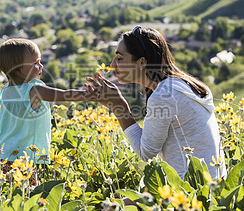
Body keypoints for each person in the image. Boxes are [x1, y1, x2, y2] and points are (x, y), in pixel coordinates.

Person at [86, 26, 226, 180]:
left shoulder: (164, 95)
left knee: (118, 203)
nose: (112, 64)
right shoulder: (180, 85)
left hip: (193, 191)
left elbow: (145, 153)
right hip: (213, 183)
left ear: (142, 62)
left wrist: (117, 105)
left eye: (119, 58)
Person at [0, 38, 92, 166]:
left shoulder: (4, 91)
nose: (41, 66)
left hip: (3, 154)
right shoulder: (34, 91)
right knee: (31, 186)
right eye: (36, 63)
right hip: (26, 158)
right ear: (18, 70)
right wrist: (87, 94)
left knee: (8, 186)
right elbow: (63, 95)